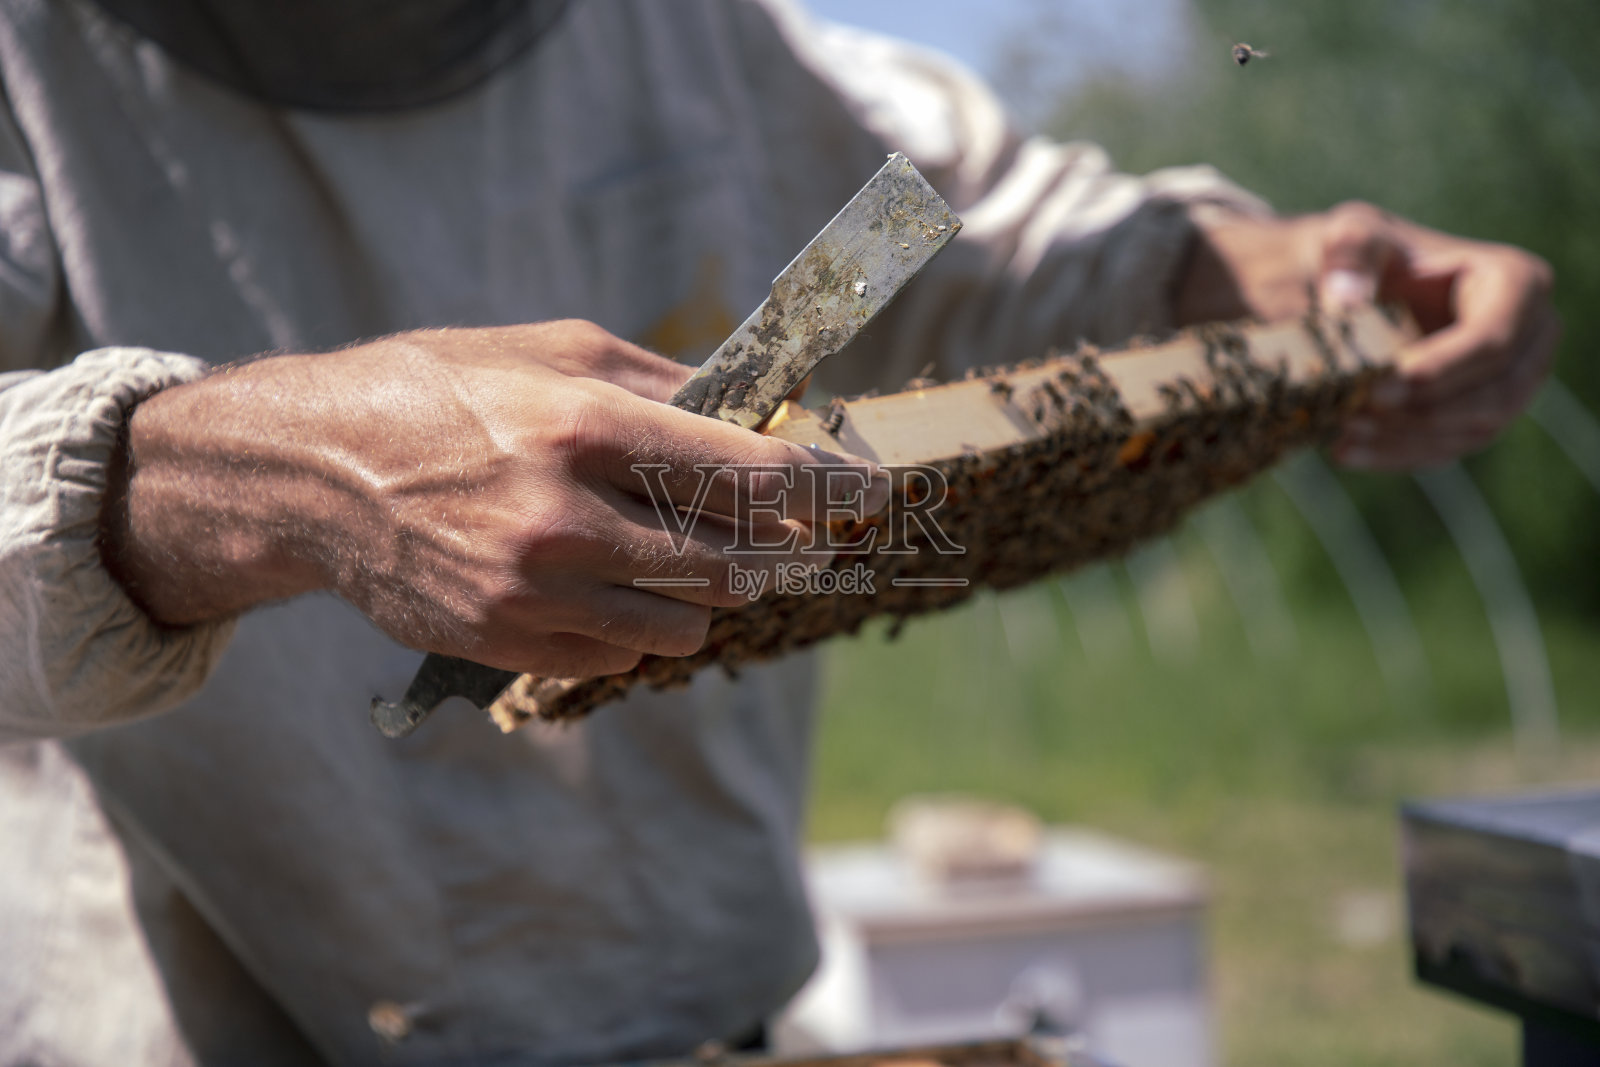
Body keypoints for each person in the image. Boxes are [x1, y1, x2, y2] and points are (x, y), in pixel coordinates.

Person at [0, 0, 1558, 1063]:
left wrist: (1268, 287)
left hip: (698, 1001)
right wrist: (261, 474)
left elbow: (954, 241)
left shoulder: (688, 39)